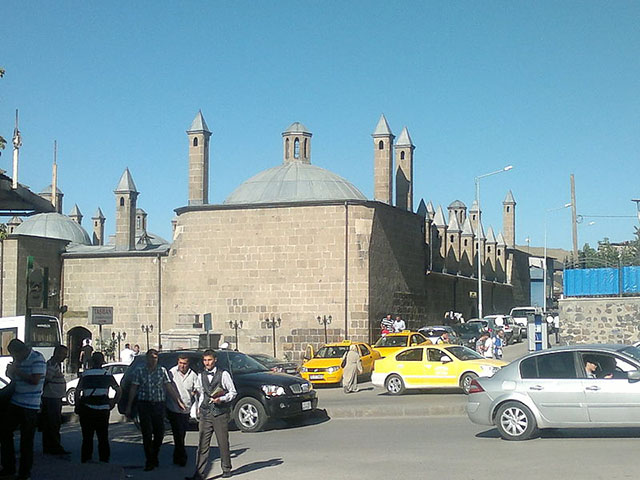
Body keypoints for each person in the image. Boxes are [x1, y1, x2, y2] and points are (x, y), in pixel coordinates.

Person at [125, 349, 184, 471]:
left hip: (158, 404)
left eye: (155, 358)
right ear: (147, 358)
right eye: (151, 357)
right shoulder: (139, 371)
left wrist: (178, 401)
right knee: (147, 433)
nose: (153, 360)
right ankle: (149, 460)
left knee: (159, 432)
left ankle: (154, 454)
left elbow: (169, 387)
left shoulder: (162, 371)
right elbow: (133, 388)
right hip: (144, 404)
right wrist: (129, 406)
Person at [187, 349, 237, 480]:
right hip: (205, 412)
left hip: (220, 412)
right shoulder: (201, 374)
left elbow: (233, 392)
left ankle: (226, 468)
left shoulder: (223, 374)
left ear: (215, 360)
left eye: (209, 360)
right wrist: (198, 407)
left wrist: (222, 399)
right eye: (205, 360)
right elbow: (201, 393)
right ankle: (199, 473)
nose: (207, 363)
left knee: (222, 441)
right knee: (202, 444)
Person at [0, 339, 46, 480]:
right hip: (15, 401)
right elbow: (14, 379)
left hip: (30, 405)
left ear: (21, 351)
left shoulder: (37, 358)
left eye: (15, 355)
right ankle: (9, 467)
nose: (14, 358)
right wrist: (10, 373)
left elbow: (35, 380)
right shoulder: (18, 360)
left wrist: (17, 371)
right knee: (4, 432)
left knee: (27, 440)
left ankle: (24, 473)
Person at [76, 352, 122, 464]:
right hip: (103, 409)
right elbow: (119, 390)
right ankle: (104, 460)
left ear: (91, 361)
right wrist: (113, 403)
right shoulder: (107, 375)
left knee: (87, 437)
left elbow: (78, 391)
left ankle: (86, 459)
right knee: (103, 437)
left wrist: (78, 405)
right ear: (102, 361)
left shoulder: (86, 375)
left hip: (87, 409)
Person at [167, 355, 198, 467]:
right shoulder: (171, 373)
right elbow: (167, 387)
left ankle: (177, 455)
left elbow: (197, 389)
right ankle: (182, 456)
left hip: (186, 408)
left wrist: (195, 393)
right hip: (173, 408)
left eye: (184, 363)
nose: (182, 366)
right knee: (177, 432)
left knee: (182, 433)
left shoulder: (193, 375)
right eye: (180, 363)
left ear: (188, 364)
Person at [41, 344, 70, 455]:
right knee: (53, 423)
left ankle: (50, 447)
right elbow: (46, 380)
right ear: (57, 353)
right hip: (51, 398)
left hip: (54, 397)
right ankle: (54, 447)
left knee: (52, 423)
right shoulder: (52, 365)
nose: (65, 357)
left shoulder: (55, 364)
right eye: (63, 354)